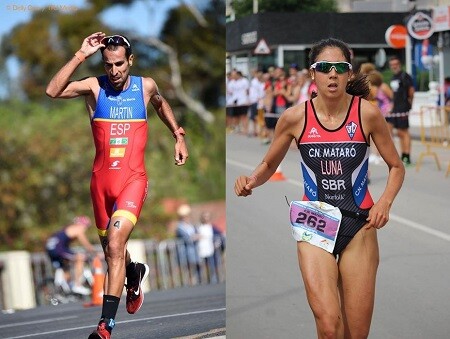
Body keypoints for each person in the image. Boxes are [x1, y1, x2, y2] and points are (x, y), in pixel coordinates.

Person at [234, 38, 405, 338]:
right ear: (313, 73)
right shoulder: (294, 117)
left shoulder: (367, 114)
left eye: (340, 68)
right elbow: (269, 165)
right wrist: (251, 181)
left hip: (359, 225)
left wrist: (384, 203)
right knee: (328, 325)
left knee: (356, 333)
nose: (333, 74)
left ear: (349, 73)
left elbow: (396, 166)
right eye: (325, 68)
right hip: (315, 224)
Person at [46, 32, 188, 339]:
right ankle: (133, 271)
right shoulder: (94, 87)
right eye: (108, 64)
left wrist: (177, 135)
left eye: (120, 64)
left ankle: (105, 326)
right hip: (100, 184)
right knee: (114, 251)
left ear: (130, 61)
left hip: (132, 180)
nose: (114, 71)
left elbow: (161, 104)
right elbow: (52, 90)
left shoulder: (145, 86)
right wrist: (80, 54)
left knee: (113, 245)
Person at [46, 216, 96, 296]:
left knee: (66, 266)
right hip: (57, 248)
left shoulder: (69, 228)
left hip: (51, 248)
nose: (85, 229)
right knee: (80, 258)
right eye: (86, 227)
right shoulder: (78, 229)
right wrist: (95, 253)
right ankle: (77, 285)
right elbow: (86, 244)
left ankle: (65, 288)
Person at [388, 55, 415, 166]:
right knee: (399, 132)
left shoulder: (405, 76)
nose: (394, 66)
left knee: (404, 131)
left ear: (400, 65)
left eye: (396, 64)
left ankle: (407, 156)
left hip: (403, 108)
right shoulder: (393, 77)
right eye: (392, 65)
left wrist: (409, 104)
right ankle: (403, 154)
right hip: (396, 109)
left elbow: (411, 91)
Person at [175, 204, 201, 283]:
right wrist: (194, 237)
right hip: (185, 251)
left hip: (194, 250)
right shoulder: (180, 227)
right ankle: (190, 283)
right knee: (188, 268)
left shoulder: (191, 225)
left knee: (196, 267)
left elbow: (197, 234)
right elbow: (186, 237)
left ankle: (196, 281)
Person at [196, 211, 218, 283]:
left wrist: (216, 244)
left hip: (210, 250)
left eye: (207, 216)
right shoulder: (198, 227)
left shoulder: (212, 227)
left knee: (212, 265)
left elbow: (220, 236)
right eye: (204, 216)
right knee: (200, 266)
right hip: (201, 250)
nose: (206, 218)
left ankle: (213, 280)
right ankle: (200, 281)